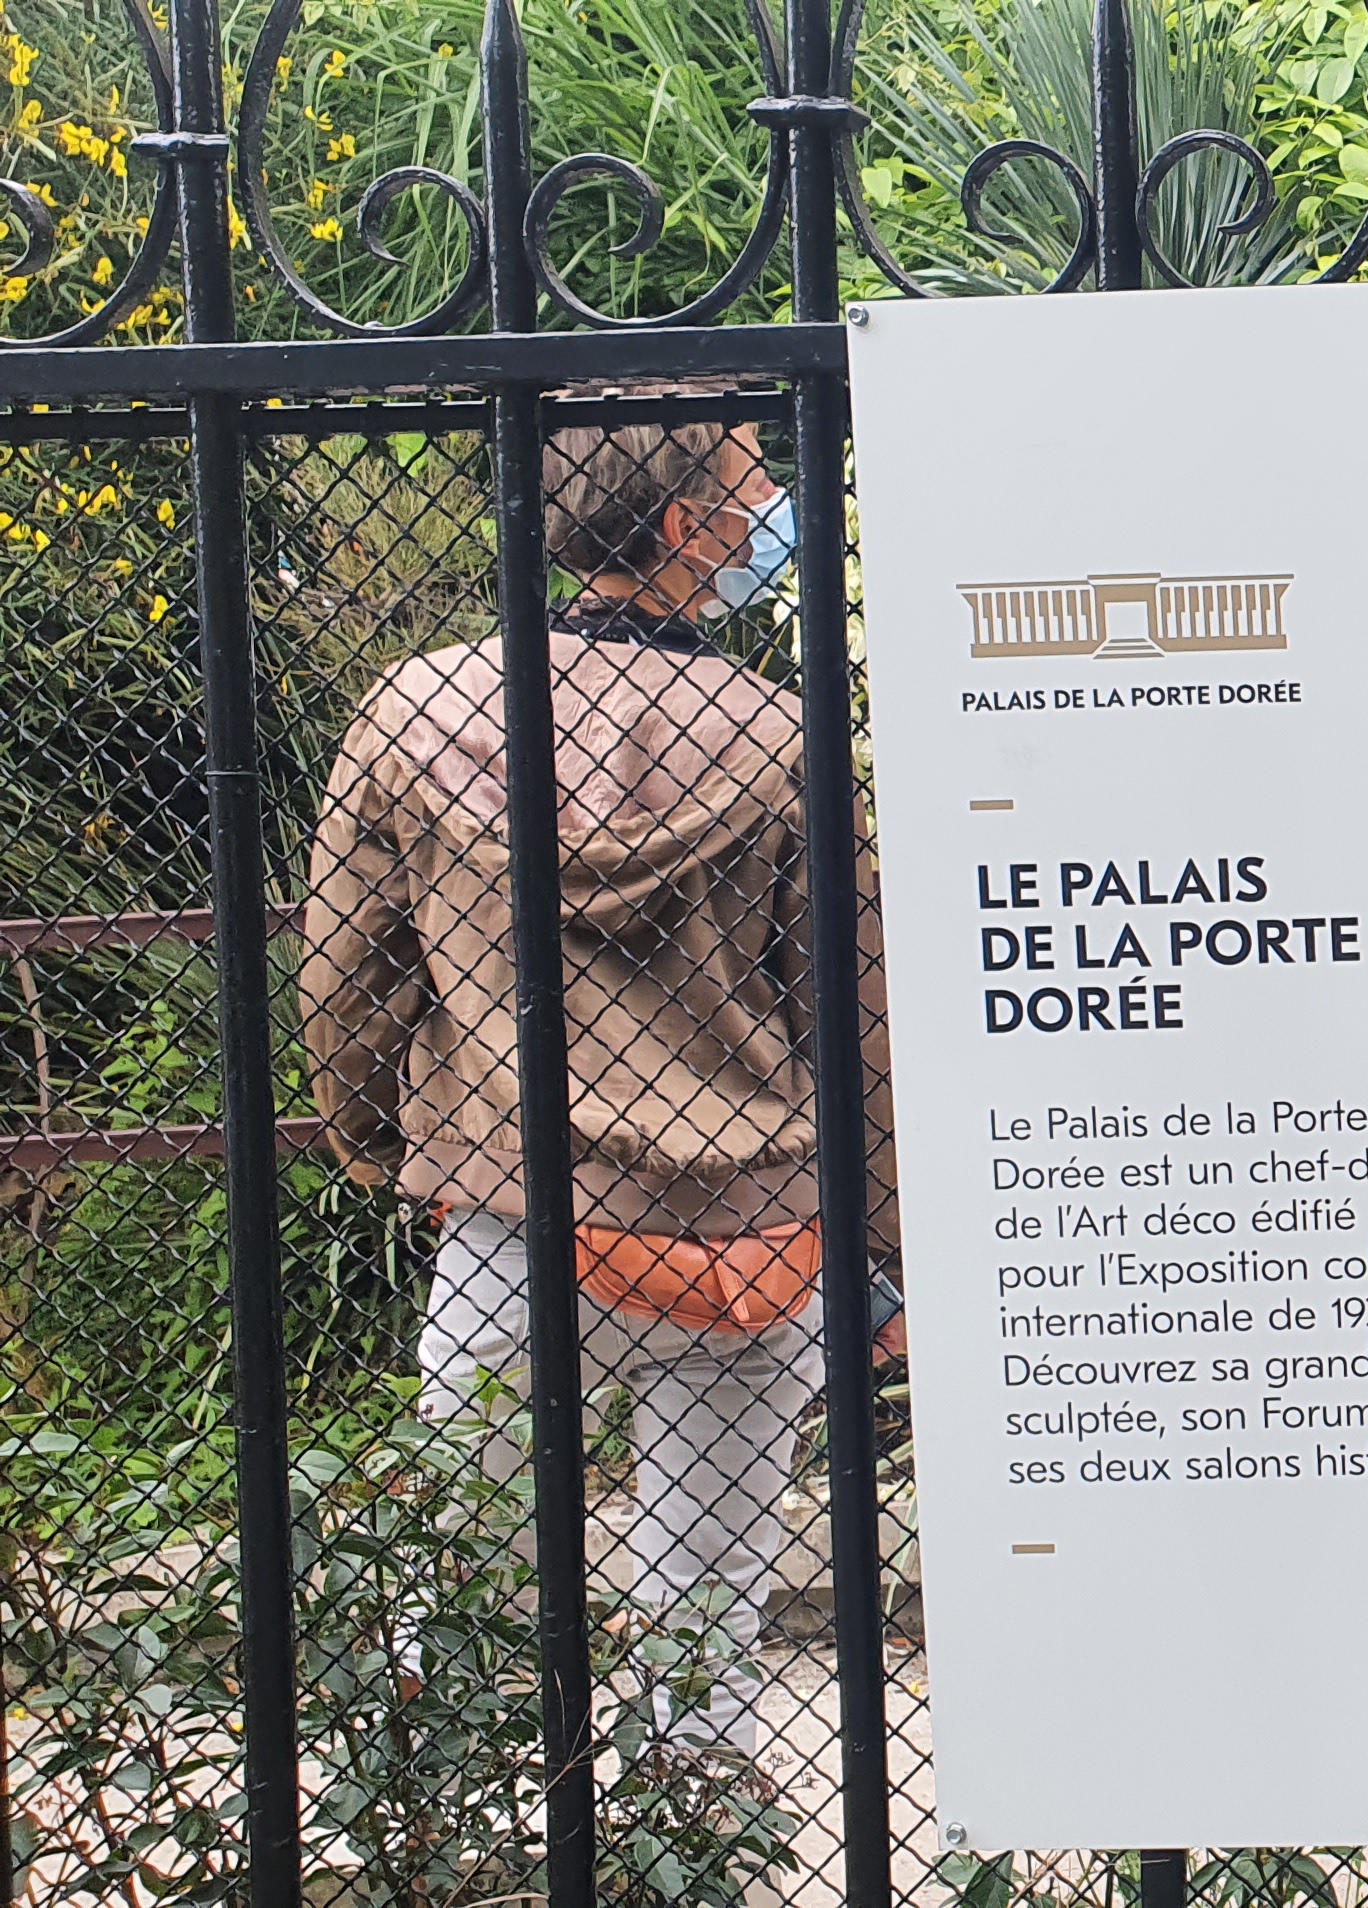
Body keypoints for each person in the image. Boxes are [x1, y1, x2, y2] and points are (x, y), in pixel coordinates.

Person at [298, 404, 896, 1753]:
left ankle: (447, 1824)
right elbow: (852, 1014)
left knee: (462, 1580)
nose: (768, 514)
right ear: (686, 530)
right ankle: (695, 1824)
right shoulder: (783, 737)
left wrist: (384, 1141)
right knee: (709, 1602)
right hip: (751, 1245)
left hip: (520, 1219)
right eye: (751, 487)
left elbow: (346, 979)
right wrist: (888, 1248)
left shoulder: (419, 711)